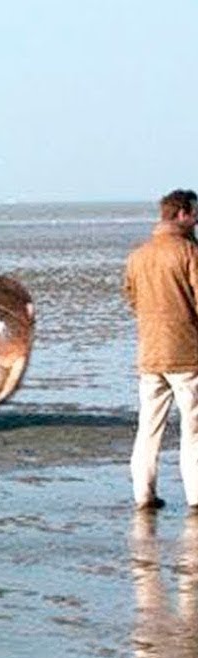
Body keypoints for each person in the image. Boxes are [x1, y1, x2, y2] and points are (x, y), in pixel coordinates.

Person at [123, 189, 198, 511]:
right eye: (194, 213)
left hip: (150, 353)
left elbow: (132, 299)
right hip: (186, 353)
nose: (196, 219)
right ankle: (196, 498)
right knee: (193, 431)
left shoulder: (138, 255)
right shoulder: (189, 252)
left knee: (148, 429)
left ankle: (143, 495)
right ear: (181, 214)